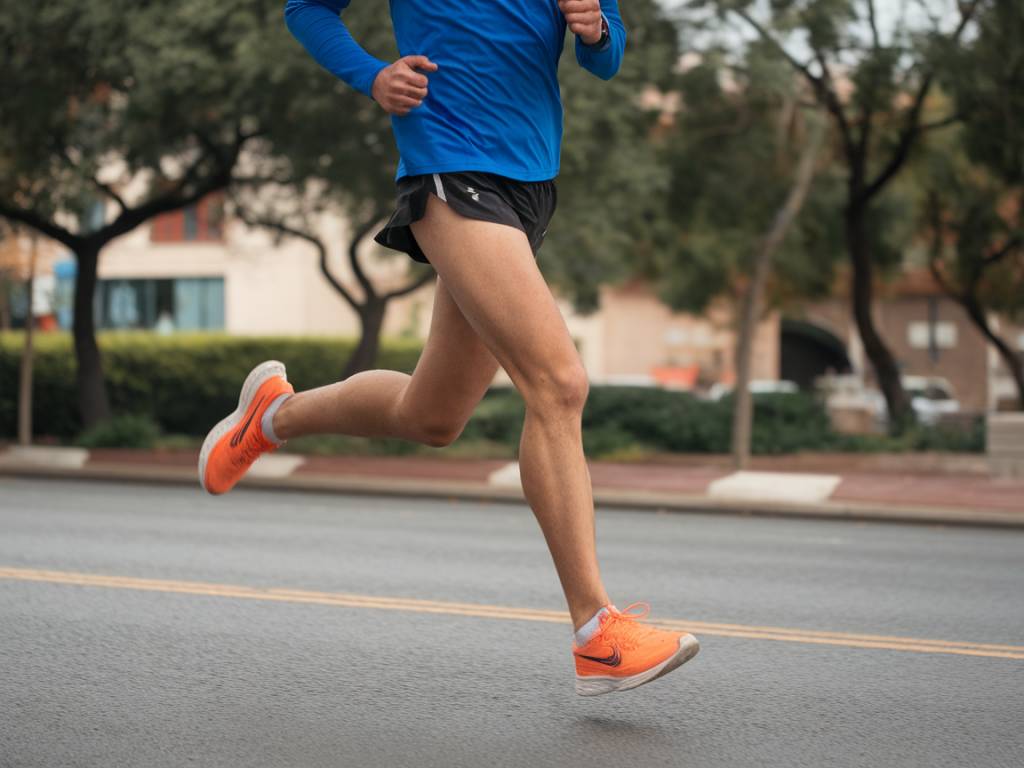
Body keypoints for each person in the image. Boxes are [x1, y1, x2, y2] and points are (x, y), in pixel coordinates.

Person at [199, 0, 699, 696]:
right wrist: (372, 75)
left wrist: (597, 28)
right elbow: (307, 9)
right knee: (558, 384)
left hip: (530, 183)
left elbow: (605, 59)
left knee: (431, 416)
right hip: (452, 162)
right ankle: (597, 634)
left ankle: (273, 415)